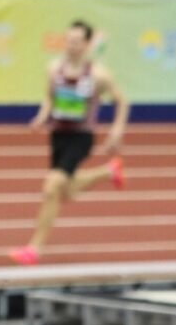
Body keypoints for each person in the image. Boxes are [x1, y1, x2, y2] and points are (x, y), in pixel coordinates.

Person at [9, 20, 130, 265]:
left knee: (52, 187)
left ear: (86, 45)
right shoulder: (54, 69)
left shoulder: (98, 75)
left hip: (81, 137)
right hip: (58, 137)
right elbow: (49, 98)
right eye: (69, 40)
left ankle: (34, 248)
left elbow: (122, 101)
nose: (72, 46)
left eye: (77, 42)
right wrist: (41, 117)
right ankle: (109, 171)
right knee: (68, 189)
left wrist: (116, 131)